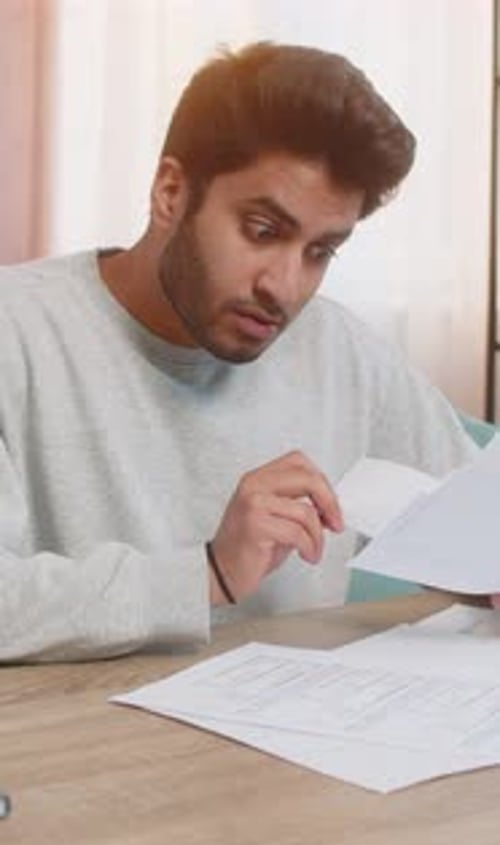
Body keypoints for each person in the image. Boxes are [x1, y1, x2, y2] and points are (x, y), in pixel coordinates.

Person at [0, 42, 476, 663]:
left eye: (320, 252)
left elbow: (476, 512)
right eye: (262, 231)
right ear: (171, 192)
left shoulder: (342, 353)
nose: (285, 287)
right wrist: (208, 572)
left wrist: (477, 564)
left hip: (294, 720)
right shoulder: (18, 330)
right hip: (71, 724)